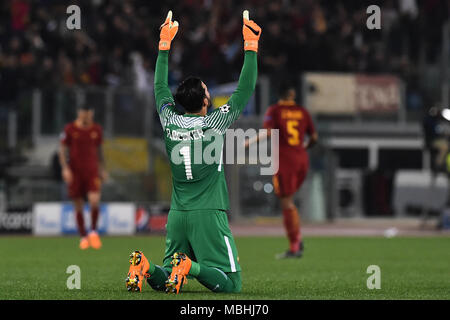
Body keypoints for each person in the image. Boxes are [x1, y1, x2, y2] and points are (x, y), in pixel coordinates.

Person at [125, 10, 261, 294]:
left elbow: (160, 86)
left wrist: (164, 46)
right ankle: (190, 265)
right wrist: (251, 47)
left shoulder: (169, 120)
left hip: (177, 214)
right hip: (208, 214)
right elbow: (245, 89)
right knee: (232, 285)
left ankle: (144, 265)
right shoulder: (215, 122)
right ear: (206, 100)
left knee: (167, 274)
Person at [245, 82, 318, 259]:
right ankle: (297, 239)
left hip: (285, 160)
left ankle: (295, 245)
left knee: (287, 203)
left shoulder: (275, 110)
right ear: (293, 94)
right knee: (290, 201)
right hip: (302, 159)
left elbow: (269, 132)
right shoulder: (302, 112)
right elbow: (314, 138)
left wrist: (248, 142)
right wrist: (303, 148)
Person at [59, 105, 107, 250]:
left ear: (91, 114)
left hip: (92, 171)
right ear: (79, 113)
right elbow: (62, 150)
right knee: (78, 203)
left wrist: (103, 169)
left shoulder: (96, 130)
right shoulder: (70, 129)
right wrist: (65, 168)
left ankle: (93, 231)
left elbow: (99, 151)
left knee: (94, 200)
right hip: (75, 172)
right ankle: (83, 236)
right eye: (84, 114)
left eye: (88, 114)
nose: (86, 117)